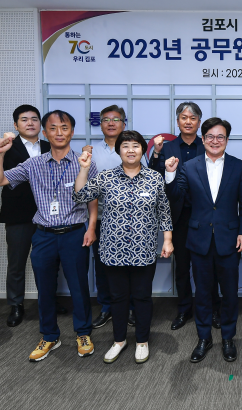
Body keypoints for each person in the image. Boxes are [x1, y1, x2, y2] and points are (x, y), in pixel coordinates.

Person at [0, 110, 98, 362]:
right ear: (45, 133)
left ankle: (83, 333)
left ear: (72, 132)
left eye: (64, 128)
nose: (59, 133)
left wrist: (91, 227)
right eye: (53, 128)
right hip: (43, 235)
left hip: (74, 234)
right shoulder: (33, 164)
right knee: (45, 289)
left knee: (79, 288)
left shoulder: (84, 162)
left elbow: (92, 199)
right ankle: (49, 335)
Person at [73, 131, 173, 364]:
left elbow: (164, 211)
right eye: (125, 146)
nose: (130, 150)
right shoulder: (106, 177)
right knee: (118, 298)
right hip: (112, 250)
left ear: (142, 150)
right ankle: (119, 340)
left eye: (135, 146)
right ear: (119, 150)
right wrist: (84, 169)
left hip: (143, 250)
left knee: (142, 297)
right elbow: (79, 196)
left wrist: (167, 239)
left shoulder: (154, 178)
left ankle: (142, 341)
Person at [164, 117, 242, 363]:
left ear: (227, 140)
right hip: (199, 238)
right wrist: (170, 174)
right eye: (210, 136)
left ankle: (228, 337)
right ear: (203, 139)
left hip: (229, 239)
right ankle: (204, 338)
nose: (215, 141)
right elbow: (175, 196)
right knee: (202, 293)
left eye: (220, 137)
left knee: (230, 293)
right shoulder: (189, 166)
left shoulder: (238, 166)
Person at [149, 102, 221, 331]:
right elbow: (154, 177)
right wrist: (157, 153)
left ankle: (212, 308)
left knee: (208, 266)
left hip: (204, 216)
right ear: (178, 121)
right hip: (178, 216)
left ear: (199, 122)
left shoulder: (208, 145)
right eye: (183, 117)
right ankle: (184, 309)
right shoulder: (167, 147)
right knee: (182, 267)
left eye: (193, 118)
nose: (188, 121)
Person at [0, 105, 52, 327]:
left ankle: (48, 303)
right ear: (16, 125)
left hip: (48, 214)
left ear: (40, 124)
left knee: (48, 263)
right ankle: (16, 305)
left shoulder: (50, 145)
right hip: (18, 214)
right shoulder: (7, 146)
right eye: (24, 119)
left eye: (34, 119)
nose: (30, 123)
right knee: (17, 262)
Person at [81, 104, 129, 330]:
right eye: (106, 120)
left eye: (116, 119)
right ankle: (107, 307)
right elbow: (85, 187)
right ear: (100, 125)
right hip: (100, 219)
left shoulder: (132, 147)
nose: (111, 123)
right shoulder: (91, 152)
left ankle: (129, 308)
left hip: (129, 219)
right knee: (102, 266)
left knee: (130, 266)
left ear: (124, 124)